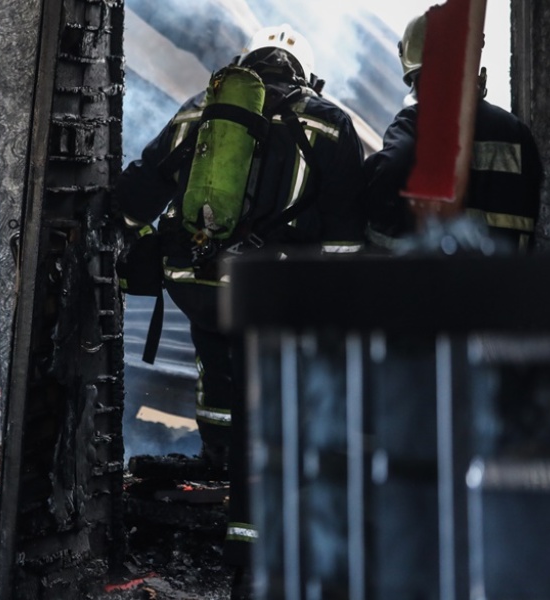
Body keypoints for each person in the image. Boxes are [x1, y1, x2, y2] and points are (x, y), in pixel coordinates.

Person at [113, 24, 366, 596]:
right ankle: (249, 549)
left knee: (217, 359)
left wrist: (124, 240)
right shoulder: (328, 120)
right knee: (267, 411)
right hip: (275, 291)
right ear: (303, 73)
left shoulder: (200, 110)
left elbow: (140, 193)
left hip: (196, 282)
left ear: (244, 65)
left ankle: (215, 456)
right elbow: (349, 232)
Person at [364, 13, 544, 252]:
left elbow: (389, 170)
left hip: (445, 279)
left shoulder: (415, 124)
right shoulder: (517, 132)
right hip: (507, 279)